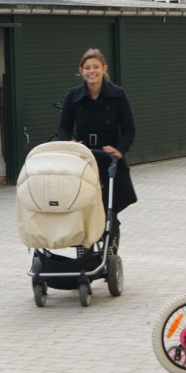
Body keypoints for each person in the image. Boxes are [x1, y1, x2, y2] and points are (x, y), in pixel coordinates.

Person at [55, 48, 136, 252]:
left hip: (109, 158)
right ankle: (84, 249)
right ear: (81, 70)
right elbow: (63, 127)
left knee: (110, 209)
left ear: (104, 69)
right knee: (81, 207)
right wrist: (71, 144)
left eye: (96, 67)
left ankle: (110, 250)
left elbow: (129, 128)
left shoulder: (117, 95)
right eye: (87, 68)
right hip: (83, 157)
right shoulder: (73, 96)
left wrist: (120, 150)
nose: (92, 71)